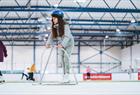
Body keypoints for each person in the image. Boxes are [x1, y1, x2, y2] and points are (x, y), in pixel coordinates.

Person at [45, 10, 74, 83]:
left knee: (66, 58)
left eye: (54, 18)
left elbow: (67, 36)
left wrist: (62, 44)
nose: (53, 20)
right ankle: (64, 75)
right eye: (52, 18)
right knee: (62, 59)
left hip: (69, 44)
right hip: (61, 44)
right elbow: (51, 36)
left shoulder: (65, 26)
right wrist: (48, 43)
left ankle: (67, 74)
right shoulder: (54, 27)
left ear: (59, 19)